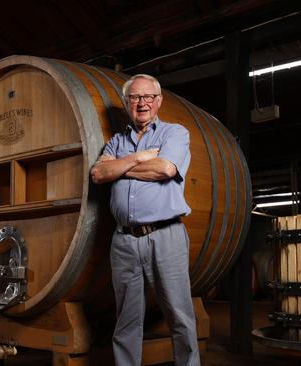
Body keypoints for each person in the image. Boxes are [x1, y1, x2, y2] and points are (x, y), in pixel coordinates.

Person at [90, 74, 200, 366]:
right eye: (135, 98)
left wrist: (119, 166)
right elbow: (98, 174)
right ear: (127, 103)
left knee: (179, 316)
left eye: (148, 97)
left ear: (158, 101)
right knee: (126, 321)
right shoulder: (116, 140)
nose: (142, 103)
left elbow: (164, 169)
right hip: (124, 239)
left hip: (166, 236)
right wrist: (139, 158)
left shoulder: (174, 133)